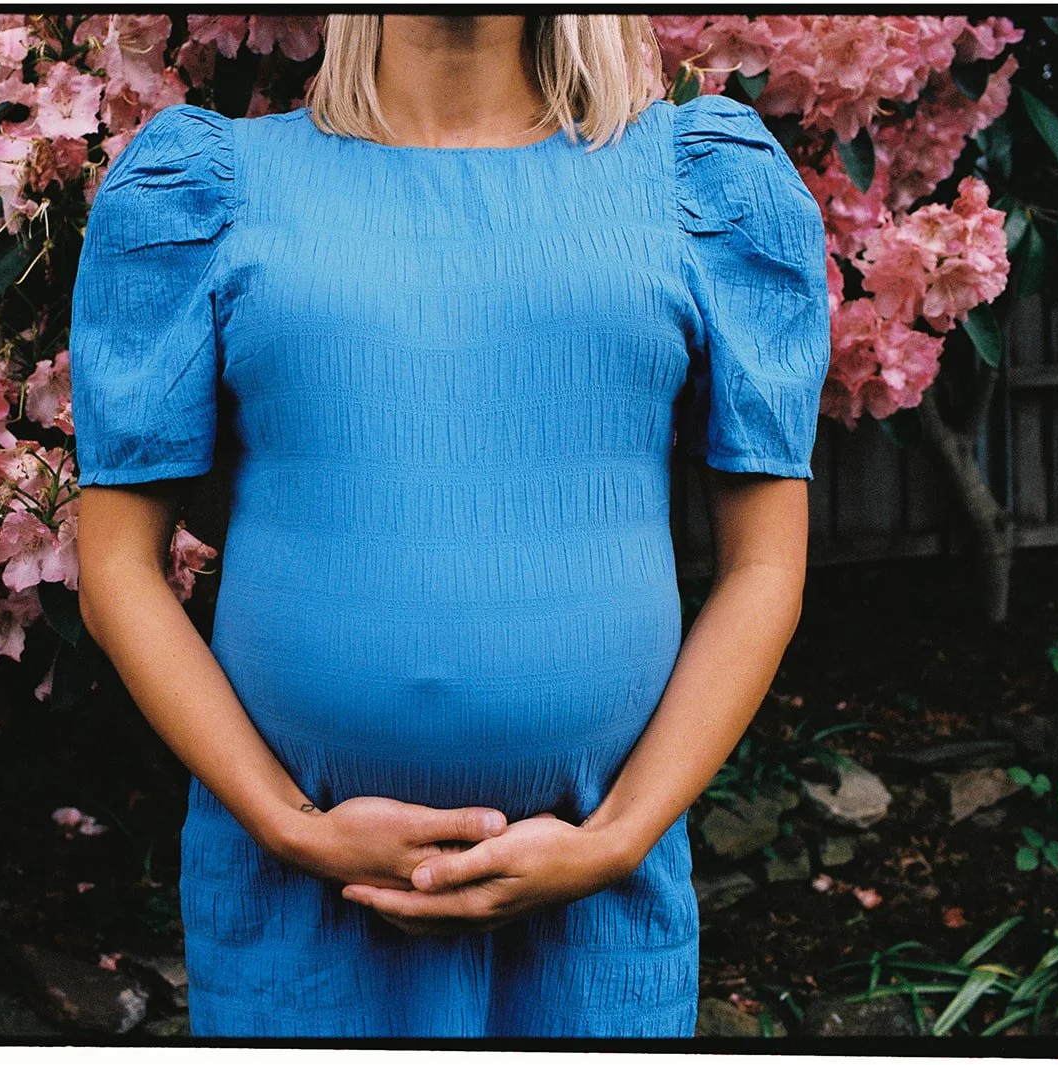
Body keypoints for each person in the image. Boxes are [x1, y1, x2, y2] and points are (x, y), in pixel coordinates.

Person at [69, 12, 830, 1040]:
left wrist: (616, 839)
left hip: (597, 911)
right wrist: (290, 828)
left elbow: (766, 567)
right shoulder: (215, 184)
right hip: (298, 907)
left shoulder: (693, 182)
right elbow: (115, 564)